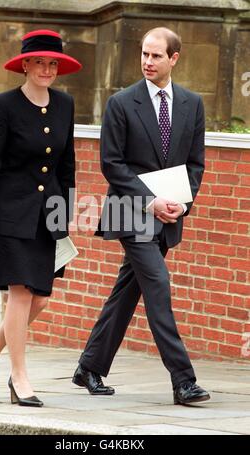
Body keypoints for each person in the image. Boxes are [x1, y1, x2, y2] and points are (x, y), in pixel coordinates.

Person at [73, 27, 210, 405]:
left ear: (174, 58)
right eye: (144, 54)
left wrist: (184, 203)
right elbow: (111, 164)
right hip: (131, 212)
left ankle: (89, 367)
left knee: (126, 292)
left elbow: (195, 163)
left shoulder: (191, 103)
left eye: (156, 56)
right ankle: (183, 380)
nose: (148, 62)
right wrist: (151, 202)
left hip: (169, 215)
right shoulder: (121, 103)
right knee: (158, 286)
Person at [0, 29, 81, 407]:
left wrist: (65, 211)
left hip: (46, 215)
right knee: (20, 295)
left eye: (53, 63)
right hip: (8, 215)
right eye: (40, 62)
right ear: (26, 64)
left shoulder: (65, 105)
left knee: (40, 299)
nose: (47, 69)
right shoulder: (3, 105)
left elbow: (67, 167)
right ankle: (20, 379)